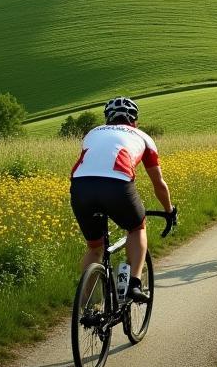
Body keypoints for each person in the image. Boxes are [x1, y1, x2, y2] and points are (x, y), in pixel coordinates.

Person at [70, 96, 175, 304]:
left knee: (94, 247)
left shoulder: (92, 133)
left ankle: (87, 305)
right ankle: (134, 284)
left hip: (80, 187)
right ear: (134, 120)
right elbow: (158, 183)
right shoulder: (143, 137)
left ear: (107, 119)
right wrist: (169, 209)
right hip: (117, 186)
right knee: (137, 228)